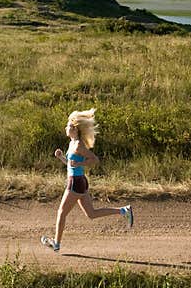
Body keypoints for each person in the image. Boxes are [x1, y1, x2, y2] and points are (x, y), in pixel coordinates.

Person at [41, 108, 133, 253]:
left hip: (75, 183)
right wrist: (61, 158)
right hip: (79, 181)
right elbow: (71, 165)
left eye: (69, 126)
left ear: (75, 129)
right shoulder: (72, 143)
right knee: (91, 214)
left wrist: (80, 164)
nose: (66, 127)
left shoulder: (78, 145)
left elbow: (94, 160)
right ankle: (123, 211)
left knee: (61, 213)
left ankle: (56, 244)